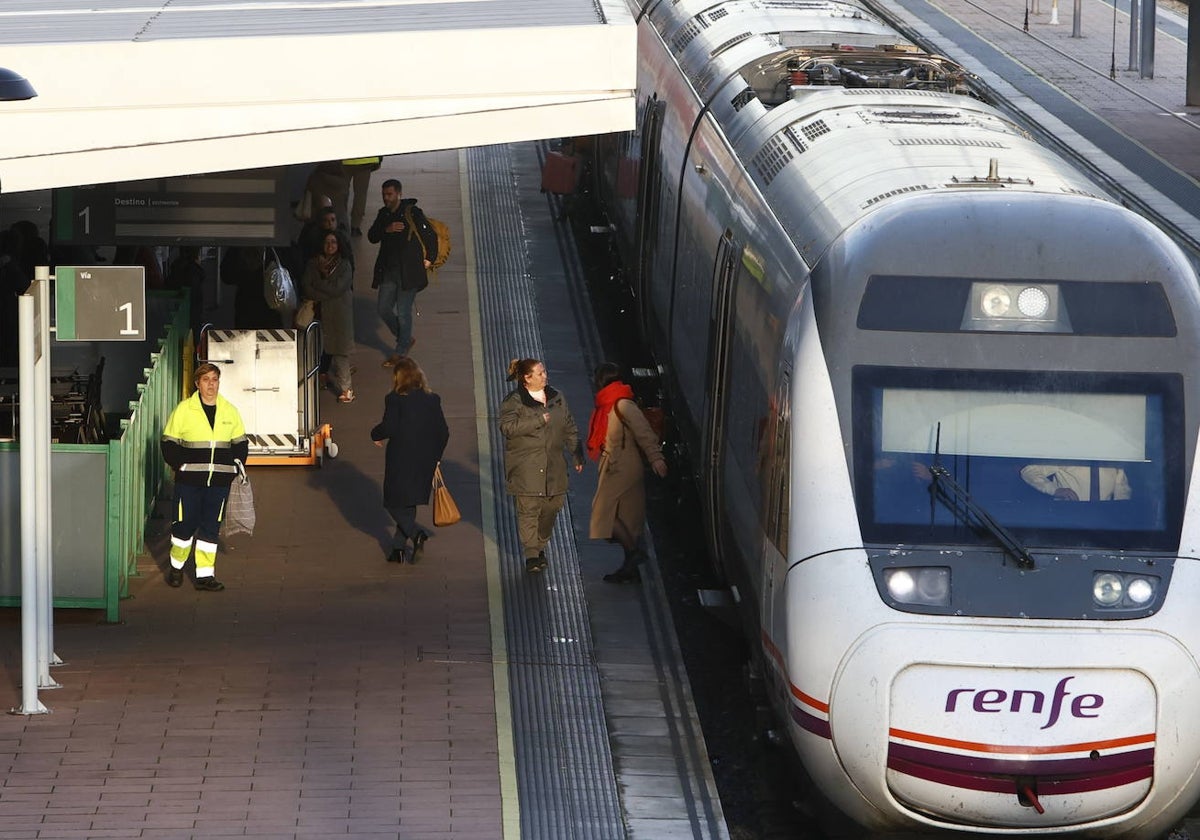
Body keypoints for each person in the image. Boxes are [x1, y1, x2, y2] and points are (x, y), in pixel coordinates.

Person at [160, 363, 249, 591]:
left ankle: (205, 576)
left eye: (215, 380)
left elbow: (240, 443)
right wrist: (180, 465)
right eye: (206, 380)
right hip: (188, 482)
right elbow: (168, 442)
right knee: (183, 527)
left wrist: (237, 464)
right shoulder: (184, 410)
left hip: (219, 482)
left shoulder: (230, 410)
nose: (211, 385)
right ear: (197, 384)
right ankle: (176, 569)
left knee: (211, 528)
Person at [499, 358, 584, 573]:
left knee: (552, 508)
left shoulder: (557, 397)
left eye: (544, 371)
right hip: (526, 468)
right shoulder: (514, 401)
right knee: (528, 511)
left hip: (554, 468)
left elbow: (569, 426)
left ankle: (539, 543)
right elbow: (507, 427)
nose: (545, 376)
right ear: (526, 379)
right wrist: (538, 421)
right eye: (539, 373)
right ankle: (531, 554)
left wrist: (576, 452)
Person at [586, 363, 668, 583]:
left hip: (623, 466)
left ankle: (634, 554)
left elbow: (644, 432)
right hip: (614, 465)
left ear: (602, 380)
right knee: (627, 519)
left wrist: (656, 458)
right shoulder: (607, 404)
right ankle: (630, 569)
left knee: (604, 514)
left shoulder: (623, 404)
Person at [371, 357, 449, 564]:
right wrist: (436, 457)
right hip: (426, 459)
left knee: (393, 502)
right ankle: (397, 550)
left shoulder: (394, 399)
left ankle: (416, 534)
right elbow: (443, 432)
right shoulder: (433, 399)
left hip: (401, 457)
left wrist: (374, 434)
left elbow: (388, 427)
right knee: (409, 501)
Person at [368, 178, 437, 364]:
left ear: (399, 193)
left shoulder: (412, 213)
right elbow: (372, 236)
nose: (386, 198)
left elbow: (429, 234)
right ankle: (405, 338)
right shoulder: (383, 215)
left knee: (404, 311)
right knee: (383, 308)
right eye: (384, 195)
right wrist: (387, 229)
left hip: (409, 273)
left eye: (389, 194)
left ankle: (400, 350)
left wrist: (430, 257)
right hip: (389, 272)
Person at [301, 231, 356, 403]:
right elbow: (306, 286)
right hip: (318, 314)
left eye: (333, 242)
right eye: (327, 242)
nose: (330, 246)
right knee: (317, 348)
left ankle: (347, 390)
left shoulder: (345, 265)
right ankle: (317, 378)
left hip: (338, 315)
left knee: (340, 352)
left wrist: (318, 286)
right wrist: (325, 291)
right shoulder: (312, 264)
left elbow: (337, 288)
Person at [220, 246, 281, 330]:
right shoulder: (272, 245)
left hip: (247, 305)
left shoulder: (240, 244)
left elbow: (226, 275)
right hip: (268, 305)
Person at [1020, 464, 1132, 501]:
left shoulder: (1113, 461)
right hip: (1068, 519)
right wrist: (1054, 490)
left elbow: (1122, 493)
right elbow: (1029, 471)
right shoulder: (1068, 455)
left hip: (1103, 522)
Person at [342, 156, 382, 236]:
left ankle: (341, 222)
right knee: (361, 194)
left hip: (343, 161)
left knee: (341, 193)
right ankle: (355, 226)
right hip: (365, 161)